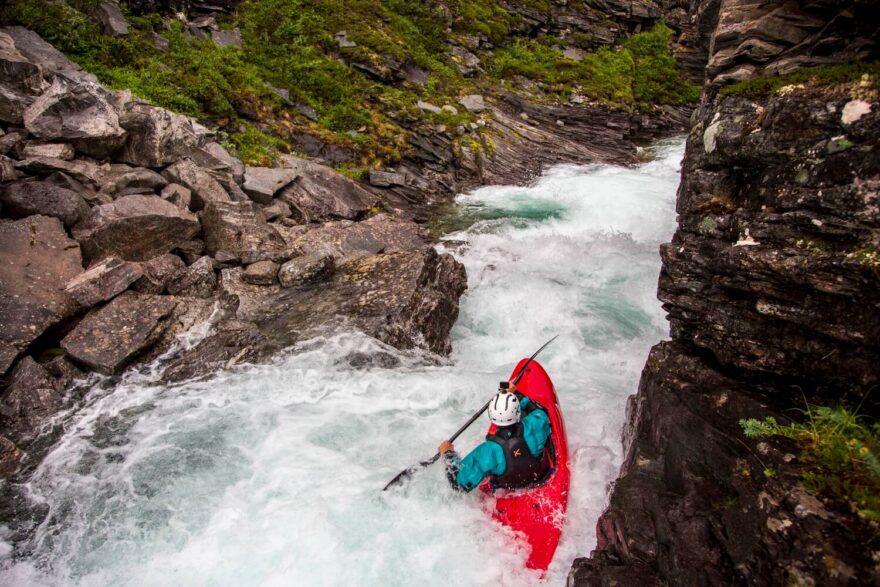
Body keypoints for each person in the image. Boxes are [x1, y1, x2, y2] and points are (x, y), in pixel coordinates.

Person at [438, 381, 552, 492]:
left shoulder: (487, 451)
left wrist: (448, 453)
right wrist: (517, 396)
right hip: (539, 478)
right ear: (516, 412)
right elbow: (540, 411)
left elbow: (459, 483)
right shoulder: (534, 425)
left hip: (510, 489)